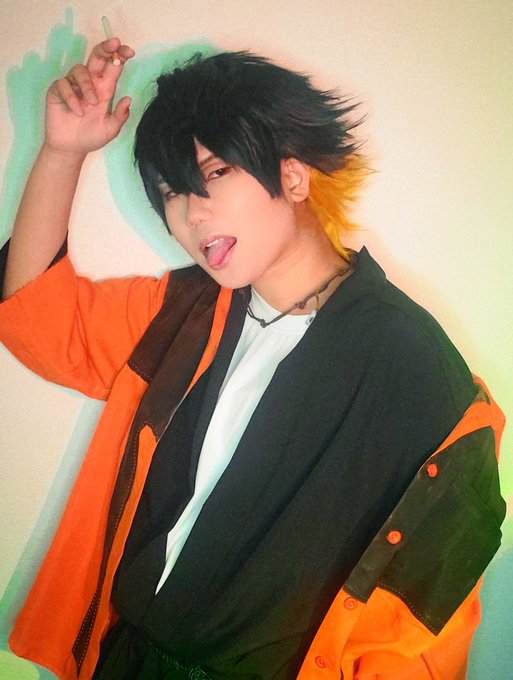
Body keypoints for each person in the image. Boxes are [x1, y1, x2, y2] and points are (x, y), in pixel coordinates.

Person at [0, 37, 506, 680]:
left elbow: (420, 626)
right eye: (170, 192)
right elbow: (37, 321)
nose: (191, 212)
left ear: (292, 175)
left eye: (214, 173)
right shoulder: (185, 314)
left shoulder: (412, 366)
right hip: (124, 659)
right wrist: (61, 153)